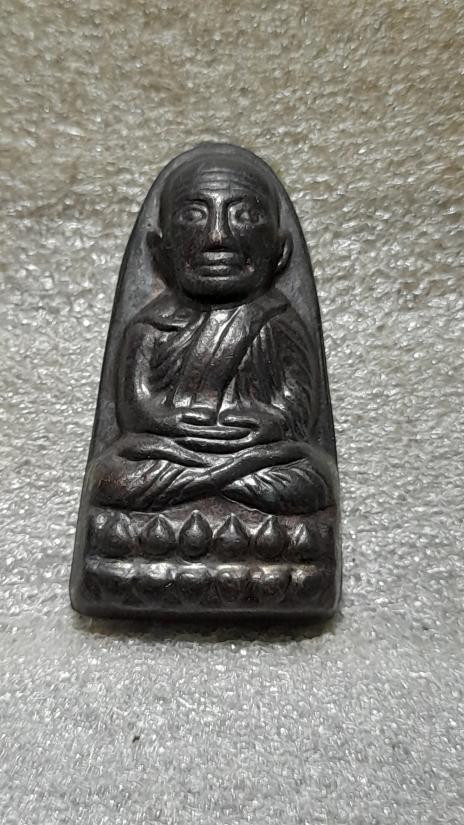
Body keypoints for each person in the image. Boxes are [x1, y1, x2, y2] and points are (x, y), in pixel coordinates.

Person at [89, 153, 336, 515]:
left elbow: (297, 403)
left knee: (311, 478)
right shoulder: (151, 325)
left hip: (256, 453)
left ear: (280, 251)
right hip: (173, 450)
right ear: (159, 250)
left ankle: (201, 484)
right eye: (193, 216)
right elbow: (135, 407)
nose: (218, 237)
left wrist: (270, 424)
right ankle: (218, 481)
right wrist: (167, 422)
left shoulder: (278, 321)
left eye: (245, 216)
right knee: (111, 477)